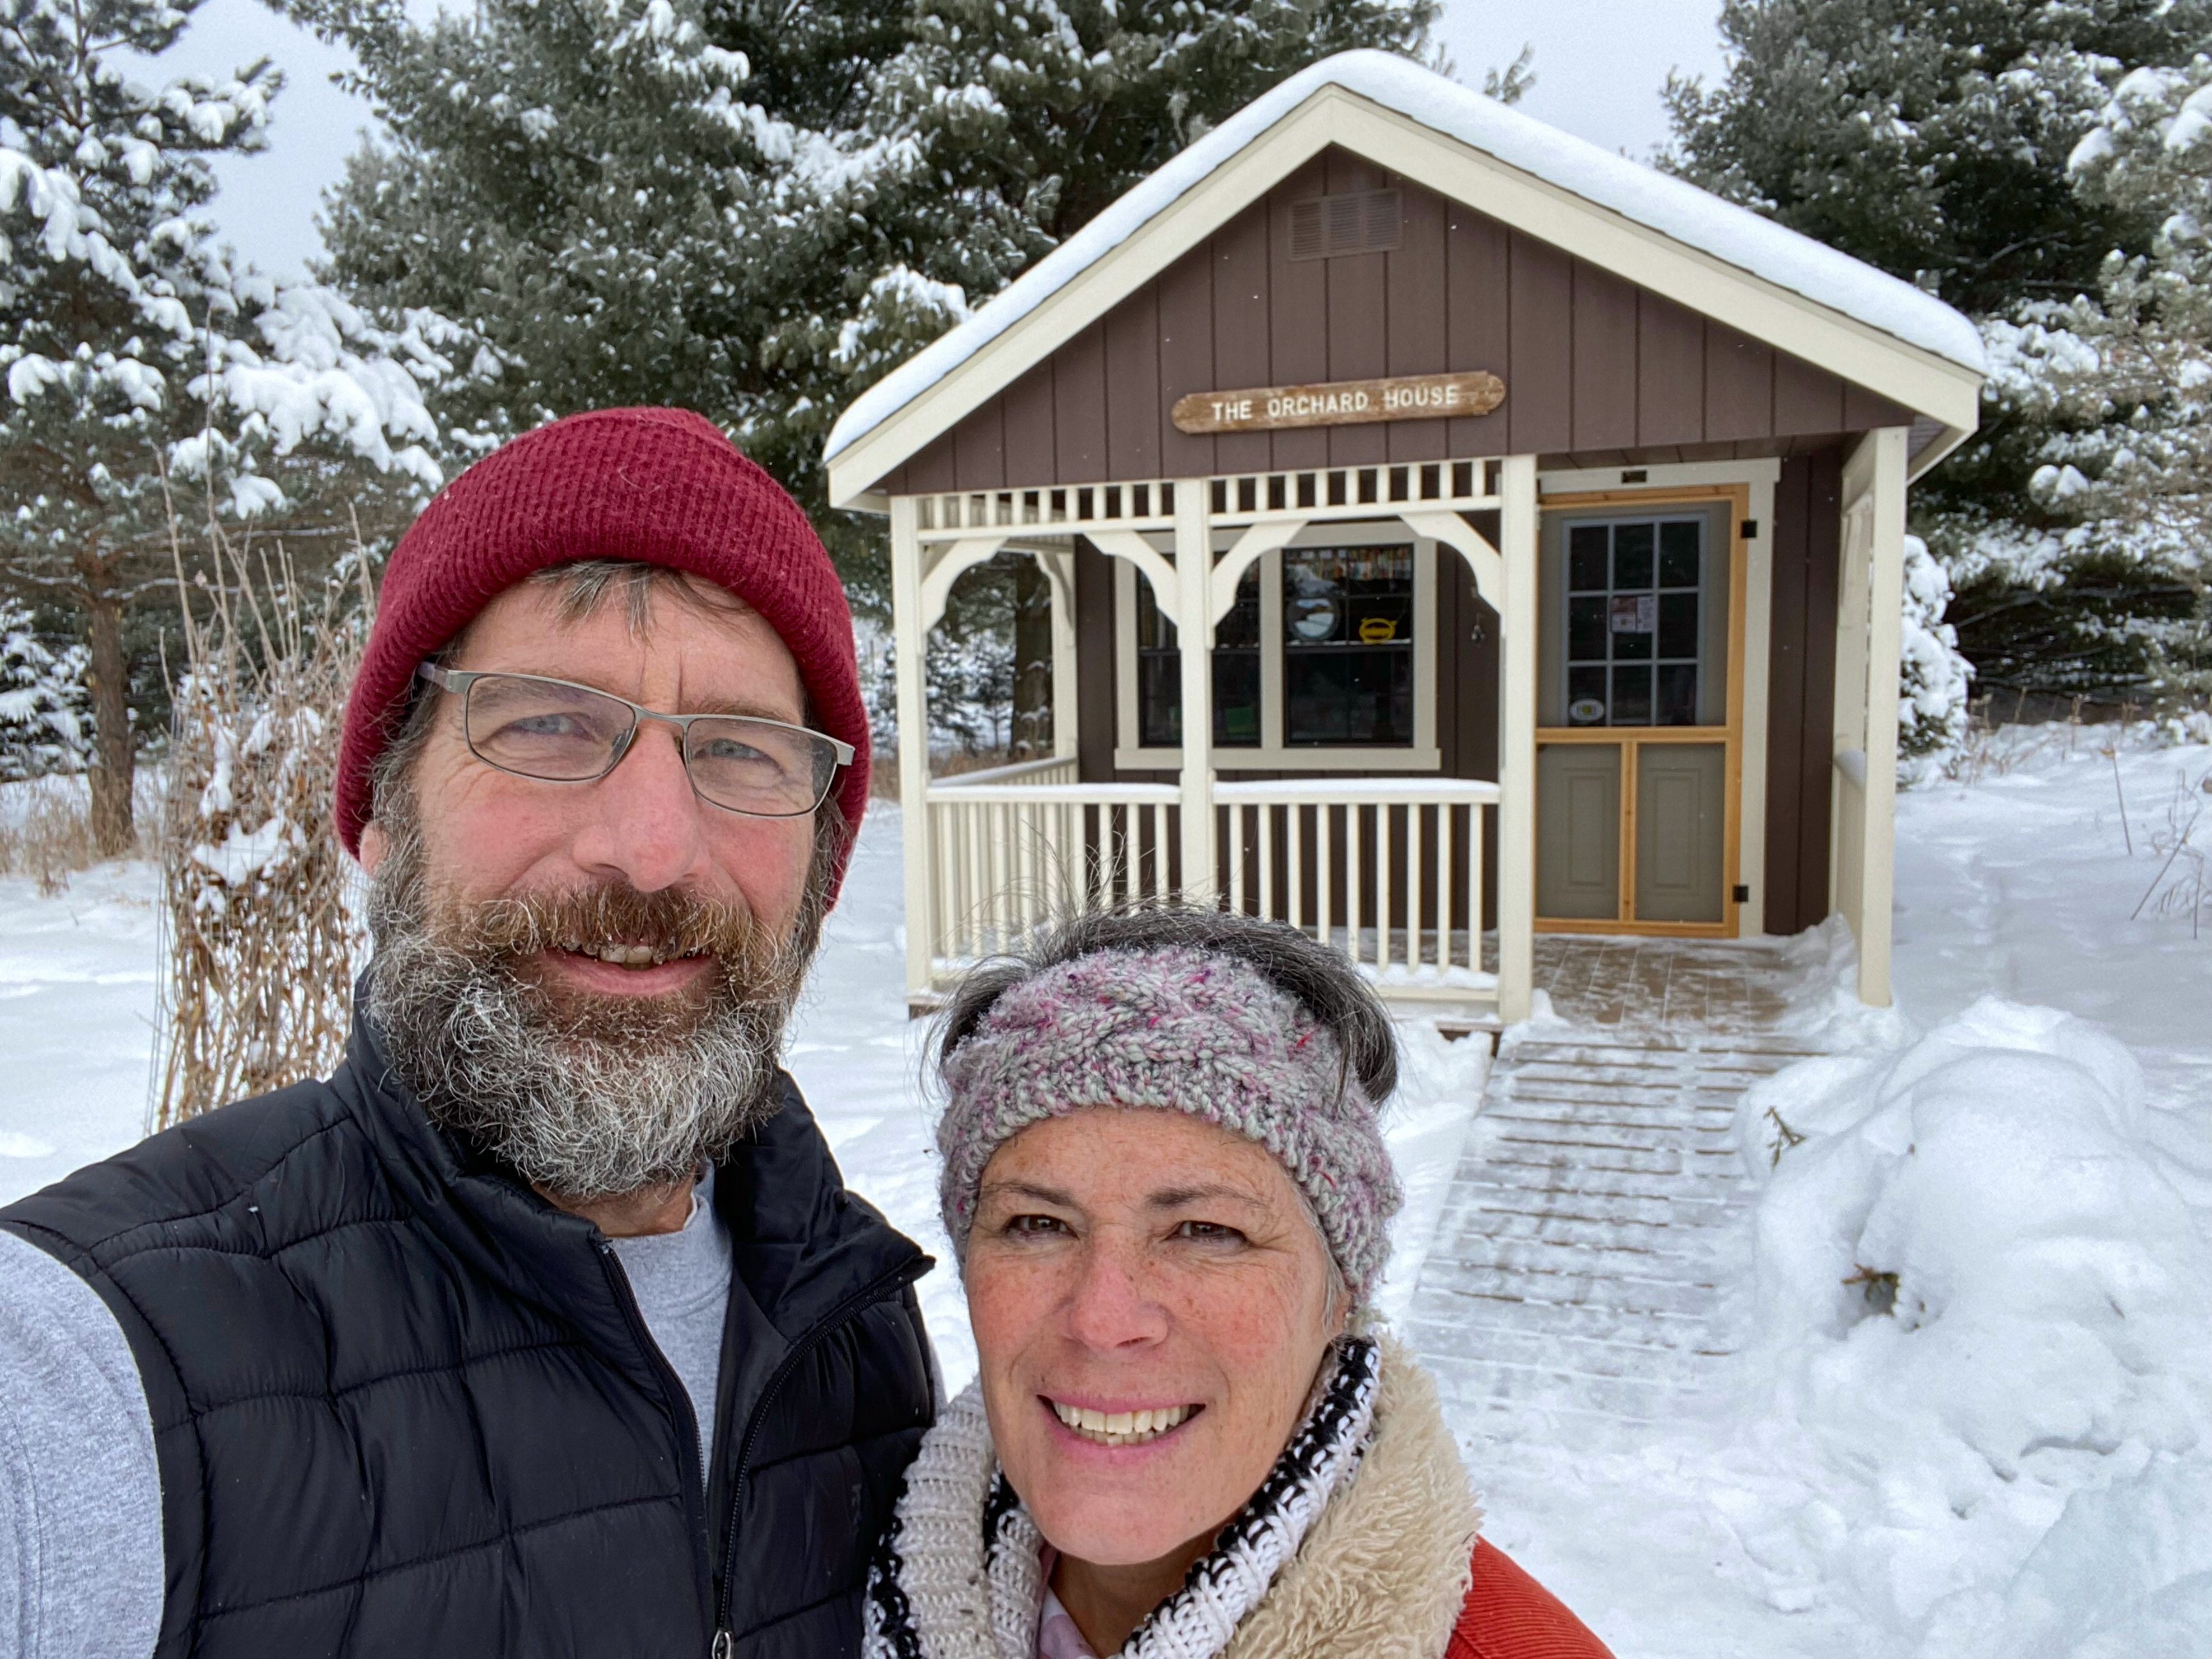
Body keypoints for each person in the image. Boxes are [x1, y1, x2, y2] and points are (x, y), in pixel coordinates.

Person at [0, 408, 936, 1659]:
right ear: (387, 807)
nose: (651, 847)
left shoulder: (859, 1331)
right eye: (547, 722)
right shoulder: (87, 1373)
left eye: (739, 748)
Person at [866, 905, 1614, 1659]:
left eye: (1207, 1231)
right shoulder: (823, 1587)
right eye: (1037, 1224)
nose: (1102, 1315)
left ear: (1340, 1295)